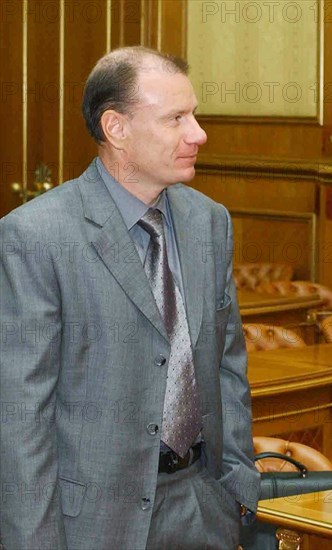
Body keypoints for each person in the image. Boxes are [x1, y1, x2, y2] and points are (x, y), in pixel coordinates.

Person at [0, 46, 259, 549]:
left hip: (203, 508)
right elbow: (21, 415)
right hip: (92, 523)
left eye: (195, 114)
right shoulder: (34, 236)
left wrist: (236, 483)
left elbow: (228, 365)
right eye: (176, 118)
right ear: (116, 127)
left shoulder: (209, 221)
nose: (198, 133)